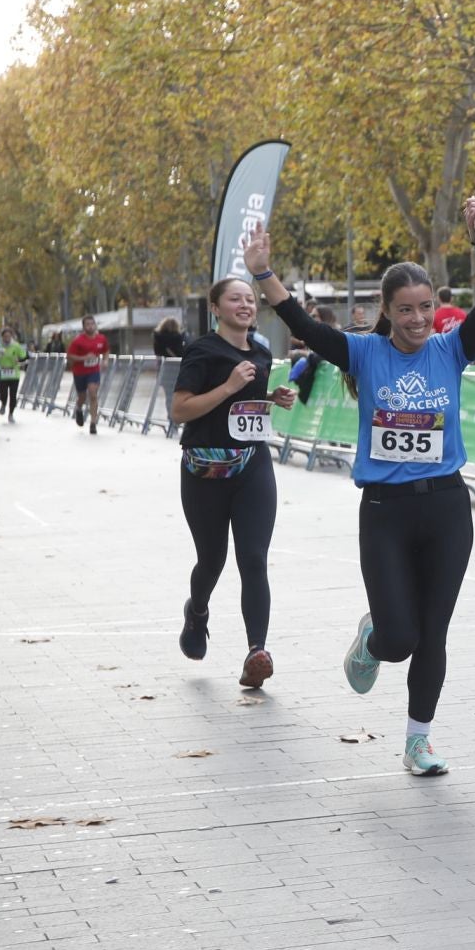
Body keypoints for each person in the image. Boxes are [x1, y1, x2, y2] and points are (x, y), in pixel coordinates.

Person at [242, 201, 475, 776]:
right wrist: (263, 273)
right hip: (385, 513)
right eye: (406, 310)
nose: (418, 320)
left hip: (445, 508)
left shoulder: (451, 349)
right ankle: (372, 638)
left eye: (426, 308)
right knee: (398, 637)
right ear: (385, 311)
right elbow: (304, 325)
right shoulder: (364, 353)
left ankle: (418, 742)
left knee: (433, 633)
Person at [171, 276, 299, 687]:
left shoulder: (261, 353)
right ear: (215, 307)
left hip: (252, 465)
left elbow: (245, 411)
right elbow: (180, 411)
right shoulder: (202, 351)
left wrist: (271, 399)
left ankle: (256, 652)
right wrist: (228, 385)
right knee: (212, 560)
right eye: (235, 299)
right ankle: (197, 612)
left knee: (254, 558)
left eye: (250, 299)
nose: (245, 305)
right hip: (205, 471)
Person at [66, 315, 110, 433]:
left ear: (95, 325)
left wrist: (105, 361)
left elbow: (106, 350)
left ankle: (93, 423)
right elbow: (69, 356)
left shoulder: (101, 338)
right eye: (88, 324)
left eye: (92, 324)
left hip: (94, 371)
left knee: (93, 394)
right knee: (82, 396)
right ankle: (79, 408)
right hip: (80, 372)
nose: (90, 326)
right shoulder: (78, 340)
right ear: (84, 327)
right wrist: (84, 357)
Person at [0, 326, 26, 424]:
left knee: (13, 395)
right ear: (2, 337)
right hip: (2, 374)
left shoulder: (16, 346)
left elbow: (23, 356)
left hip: (14, 374)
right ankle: (3, 404)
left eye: (9, 336)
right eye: (5, 336)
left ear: (11, 336)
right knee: (3, 394)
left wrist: (19, 359)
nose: (7, 338)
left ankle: (11, 414)